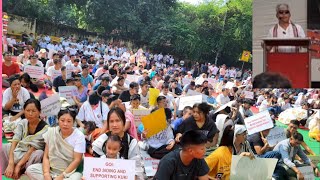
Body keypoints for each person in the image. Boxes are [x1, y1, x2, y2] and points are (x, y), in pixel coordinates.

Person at [26, 109, 86, 180]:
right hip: (52, 170)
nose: (65, 124)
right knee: (31, 169)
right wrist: (46, 174)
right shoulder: (52, 132)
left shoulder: (79, 136)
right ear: (58, 120)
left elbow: (77, 160)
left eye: (69, 121)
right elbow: (46, 156)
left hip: (69, 173)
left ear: (73, 122)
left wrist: (61, 176)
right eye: (62, 120)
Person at [0, 99, 48, 179]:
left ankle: (23, 173)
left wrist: (18, 166)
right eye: (27, 110)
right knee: (4, 147)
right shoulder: (23, 122)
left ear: (39, 112)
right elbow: (15, 141)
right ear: (24, 111)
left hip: (29, 155)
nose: (30, 114)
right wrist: (11, 163)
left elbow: (32, 149)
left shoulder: (45, 128)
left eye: (33, 111)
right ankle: (6, 171)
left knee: (38, 153)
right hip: (19, 150)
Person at [92, 107, 144, 179]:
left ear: (124, 122)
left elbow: (136, 168)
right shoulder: (101, 141)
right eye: (111, 121)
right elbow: (94, 168)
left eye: (117, 121)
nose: (114, 125)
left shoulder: (131, 142)